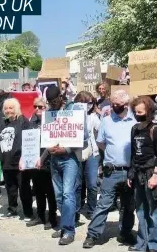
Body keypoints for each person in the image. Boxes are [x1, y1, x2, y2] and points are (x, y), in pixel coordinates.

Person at [83, 89, 136, 249]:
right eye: (112, 103)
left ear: (126, 104)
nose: (113, 106)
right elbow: (100, 142)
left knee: (128, 205)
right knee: (104, 204)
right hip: (111, 170)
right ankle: (92, 235)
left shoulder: (135, 121)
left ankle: (125, 232)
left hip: (129, 171)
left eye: (117, 104)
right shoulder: (106, 120)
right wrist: (111, 154)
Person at [44, 86, 87, 245]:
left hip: (70, 158)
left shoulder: (74, 110)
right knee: (59, 196)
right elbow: (47, 136)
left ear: (61, 97)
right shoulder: (49, 114)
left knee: (69, 193)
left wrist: (66, 148)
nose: (52, 104)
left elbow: (84, 138)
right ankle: (65, 224)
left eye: (54, 101)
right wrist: (47, 149)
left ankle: (69, 230)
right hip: (54, 158)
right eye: (49, 102)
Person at [127, 96, 157, 252]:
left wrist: (155, 175)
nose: (138, 114)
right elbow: (133, 154)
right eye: (136, 111)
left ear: (148, 111)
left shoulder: (154, 129)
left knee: (154, 210)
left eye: (141, 111)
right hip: (138, 173)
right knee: (141, 210)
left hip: (151, 172)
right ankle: (141, 243)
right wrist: (131, 174)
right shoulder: (134, 129)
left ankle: (155, 245)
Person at [24, 97, 58, 230]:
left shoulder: (52, 122)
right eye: (35, 106)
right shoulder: (32, 121)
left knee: (50, 191)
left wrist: (42, 158)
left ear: (47, 108)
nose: (37, 109)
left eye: (41, 107)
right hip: (34, 161)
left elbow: (53, 143)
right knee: (37, 190)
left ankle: (52, 218)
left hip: (48, 161)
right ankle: (40, 215)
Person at [0, 98, 29, 219]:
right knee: (10, 188)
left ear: (16, 108)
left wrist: (23, 157)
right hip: (6, 161)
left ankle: (27, 211)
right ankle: (12, 209)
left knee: (24, 188)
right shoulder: (2, 123)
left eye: (11, 108)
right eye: (6, 108)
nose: (8, 110)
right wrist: (0, 156)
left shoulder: (23, 121)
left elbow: (28, 140)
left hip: (20, 162)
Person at [74, 91, 101, 219]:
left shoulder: (93, 116)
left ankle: (92, 210)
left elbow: (101, 130)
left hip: (92, 152)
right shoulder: (72, 116)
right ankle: (76, 210)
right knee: (77, 184)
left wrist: (102, 115)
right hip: (76, 152)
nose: (87, 105)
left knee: (92, 183)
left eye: (90, 103)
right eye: (84, 103)